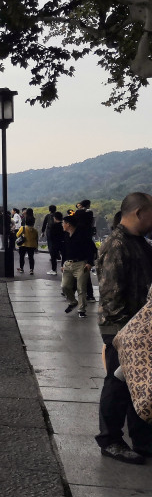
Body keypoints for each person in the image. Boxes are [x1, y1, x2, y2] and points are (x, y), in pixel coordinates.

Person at [95, 192, 152, 464]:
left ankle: (142, 440)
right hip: (122, 329)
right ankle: (110, 440)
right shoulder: (116, 245)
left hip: (140, 327)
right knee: (117, 384)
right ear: (139, 212)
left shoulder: (139, 242)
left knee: (140, 385)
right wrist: (124, 334)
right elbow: (110, 295)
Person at [61, 213, 97, 317]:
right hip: (68, 264)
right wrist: (63, 263)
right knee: (65, 286)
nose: (62, 225)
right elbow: (65, 251)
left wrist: (90, 263)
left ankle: (82, 310)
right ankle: (72, 302)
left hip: (81, 263)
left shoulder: (83, 235)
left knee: (81, 287)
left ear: (68, 224)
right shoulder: (66, 235)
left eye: (63, 223)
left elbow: (92, 250)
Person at [46, 211, 65, 275]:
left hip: (55, 243)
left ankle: (54, 270)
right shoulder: (63, 224)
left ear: (55, 218)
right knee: (64, 256)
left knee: (53, 257)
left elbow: (51, 235)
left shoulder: (53, 226)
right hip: (63, 242)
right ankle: (64, 269)